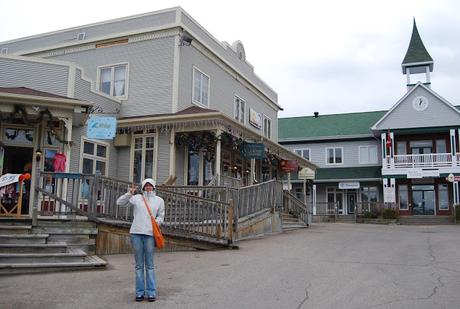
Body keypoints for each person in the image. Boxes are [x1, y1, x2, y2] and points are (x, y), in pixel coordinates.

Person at [116, 178, 165, 302]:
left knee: (149, 265)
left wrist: (156, 223)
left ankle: (151, 292)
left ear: (154, 187)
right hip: (136, 233)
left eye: (150, 186)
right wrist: (129, 193)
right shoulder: (137, 198)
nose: (148, 187)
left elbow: (161, 215)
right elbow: (119, 203)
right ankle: (139, 292)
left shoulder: (159, 200)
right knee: (138, 265)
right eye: (146, 186)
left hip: (149, 234)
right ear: (143, 187)